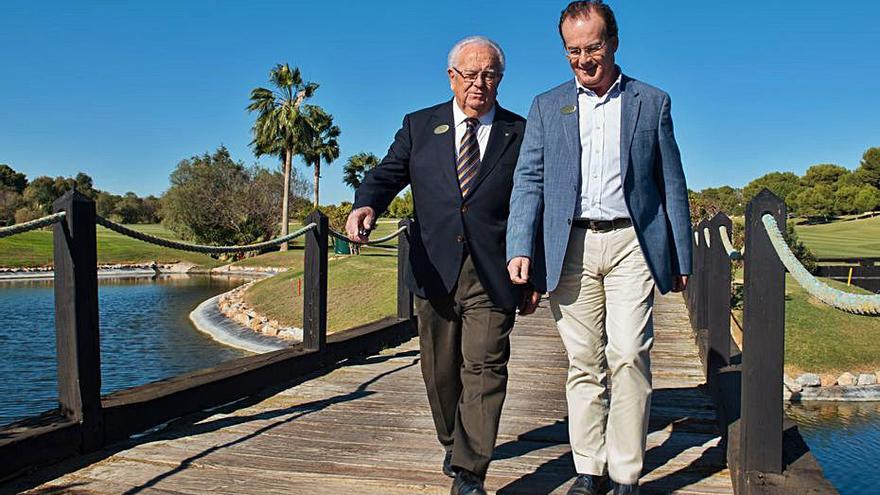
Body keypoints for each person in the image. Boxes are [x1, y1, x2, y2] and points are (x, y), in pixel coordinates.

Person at [506, 2, 693, 494]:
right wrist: (520, 244)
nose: (583, 60)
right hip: (569, 245)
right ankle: (589, 469)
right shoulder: (547, 105)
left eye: (592, 47)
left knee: (629, 353)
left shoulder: (652, 101)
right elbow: (528, 180)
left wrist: (681, 256)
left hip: (633, 239)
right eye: (573, 51)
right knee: (583, 362)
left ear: (613, 42)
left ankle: (626, 473)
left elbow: (671, 182)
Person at [345, 36, 540, 495]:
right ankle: (454, 443)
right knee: (439, 370)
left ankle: (471, 471)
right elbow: (387, 173)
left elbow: (538, 203)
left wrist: (539, 274)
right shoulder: (419, 125)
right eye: (470, 74)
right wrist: (366, 204)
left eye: (490, 74)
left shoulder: (523, 131)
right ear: (451, 77)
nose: (480, 84)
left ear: (501, 79)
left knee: (486, 366)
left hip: (494, 271)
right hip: (433, 268)